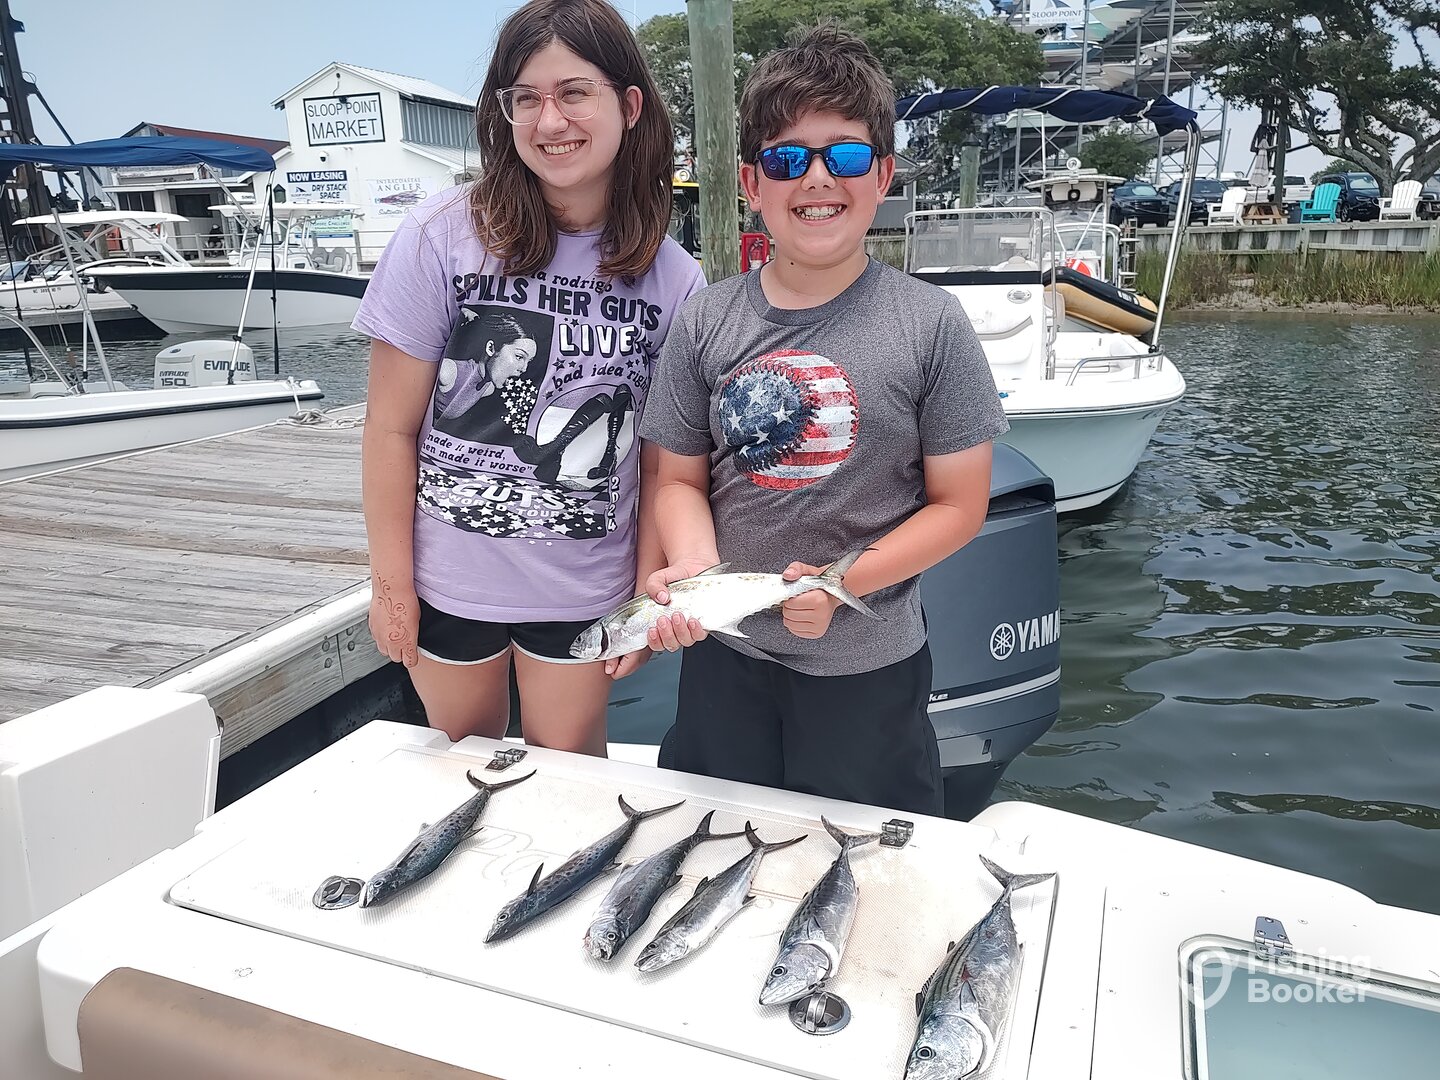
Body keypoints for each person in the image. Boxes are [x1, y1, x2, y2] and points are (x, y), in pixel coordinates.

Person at [637, 24, 1009, 816]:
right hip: (726, 657)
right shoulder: (705, 320)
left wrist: (844, 585)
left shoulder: (931, 324)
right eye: (785, 158)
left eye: (841, 155)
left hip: (867, 670)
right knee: (714, 842)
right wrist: (698, 576)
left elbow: (960, 503)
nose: (815, 178)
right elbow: (675, 478)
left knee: (867, 864)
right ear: (751, 181)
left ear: (882, 175)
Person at [353, 0, 704, 754]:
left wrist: (644, 595)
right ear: (504, 112)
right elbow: (389, 429)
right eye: (527, 98)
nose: (551, 121)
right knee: (457, 768)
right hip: (449, 582)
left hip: (585, 589)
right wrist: (392, 586)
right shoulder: (438, 239)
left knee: (572, 780)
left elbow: (660, 462)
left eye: (575, 92)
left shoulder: (675, 281)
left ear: (629, 104)